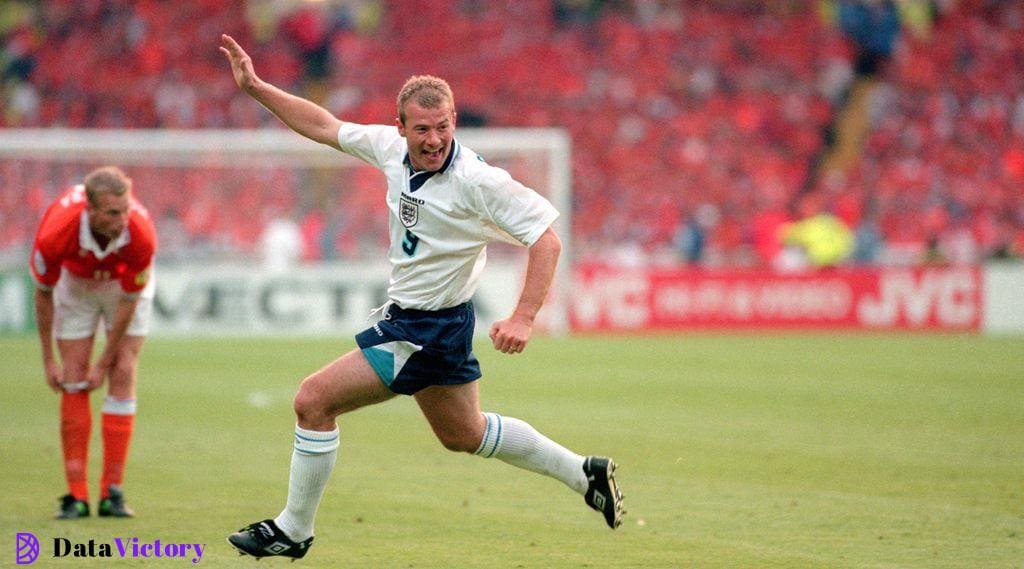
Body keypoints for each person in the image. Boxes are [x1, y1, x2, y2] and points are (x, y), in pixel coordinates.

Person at [219, 34, 624, 560]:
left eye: (443, 127)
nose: (434, 140)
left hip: (423, 330)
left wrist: (524, 316)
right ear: (401, 126)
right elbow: (322, 125)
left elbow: (546, 239)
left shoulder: (478, 181)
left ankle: (294, 530)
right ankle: (581, 472)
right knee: (465, 434)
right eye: (422, 129)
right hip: (431, 325)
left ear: (454, 121)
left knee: (313, 401)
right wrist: (256, 88)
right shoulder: (390, 149)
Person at [29, 166, 157, 520]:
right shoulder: (57, 232)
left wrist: (104, 362)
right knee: (73, 374)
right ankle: (76, 496)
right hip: (77, 283)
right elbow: (42, 294)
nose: (122, 220)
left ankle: (111, 493)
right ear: (90, 210)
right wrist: (47, 360)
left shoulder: (141, 235)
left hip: (122, 288)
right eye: (113, 213)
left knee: (123, 370)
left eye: (126, 210)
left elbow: (130, 301)